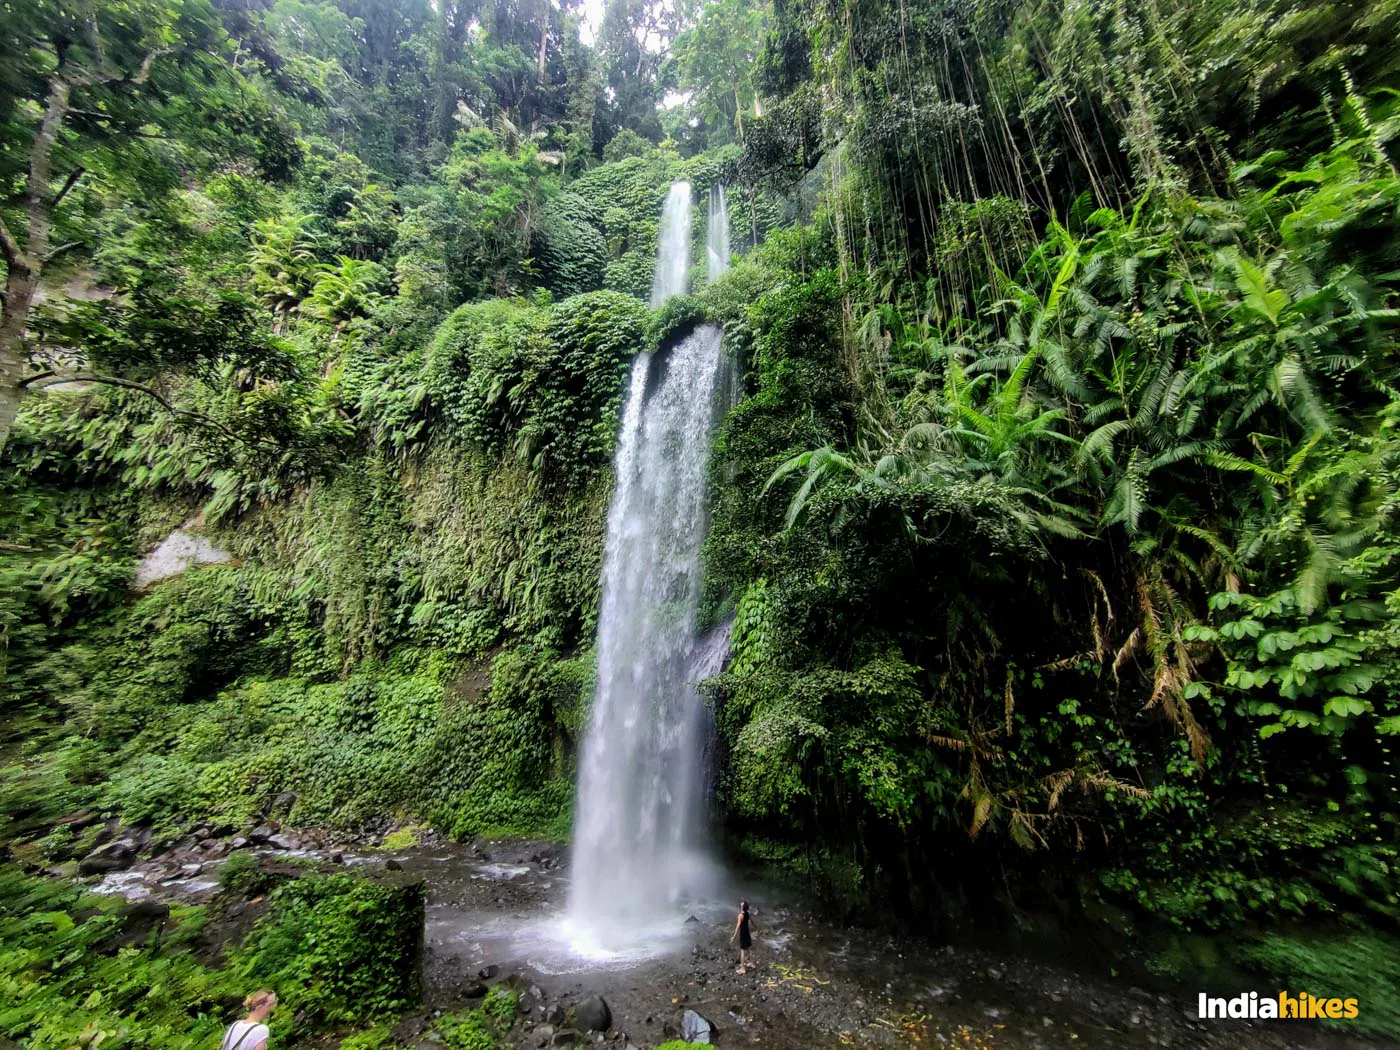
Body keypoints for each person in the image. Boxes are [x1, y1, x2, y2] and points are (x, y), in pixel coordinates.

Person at [729, 900, 755, 973]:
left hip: (743, 934)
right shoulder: (747, 913)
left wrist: (733, 937)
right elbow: (752, 921)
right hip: (747, 932)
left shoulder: (740, 915)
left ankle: (743, 969)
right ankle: (752, 963)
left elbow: (738, 926)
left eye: (741, 905)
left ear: (742, 907)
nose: (740, 906)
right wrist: (756, 927)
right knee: (749, 948)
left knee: (742, 951)